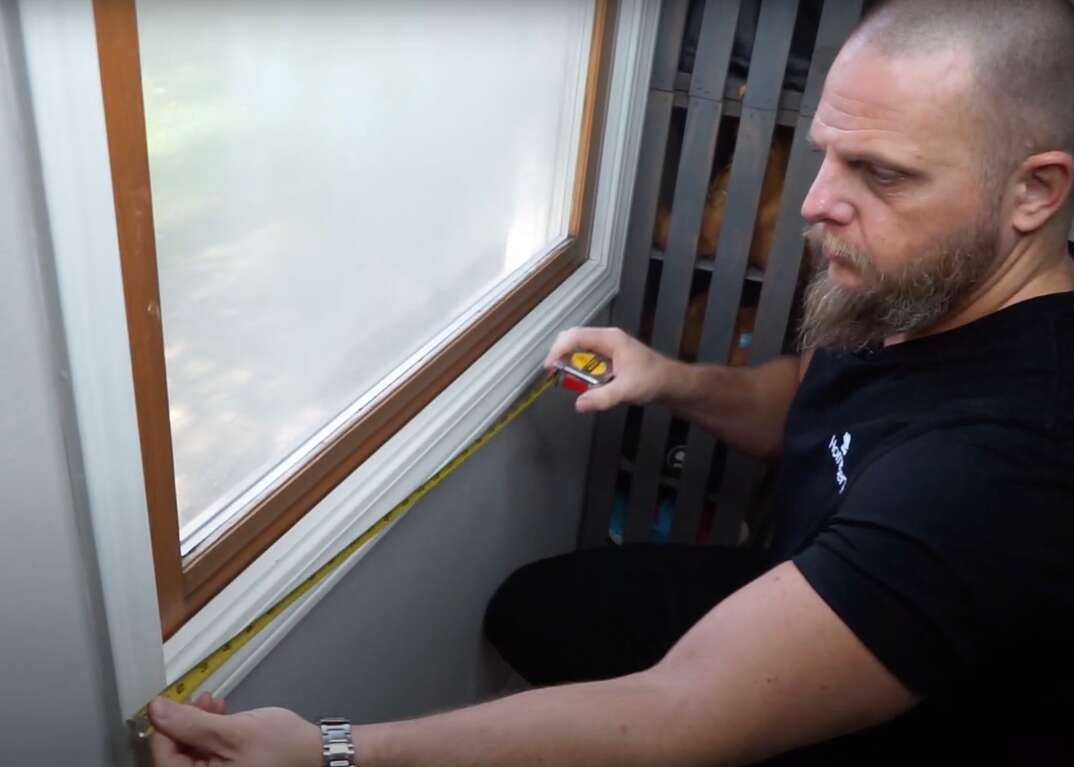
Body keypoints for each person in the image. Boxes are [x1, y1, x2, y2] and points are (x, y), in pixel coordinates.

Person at [147, 1, 1074, 764]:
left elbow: (682, 711)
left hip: (882, 705)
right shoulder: (936, 283)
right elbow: (816, 404)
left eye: (879, 172)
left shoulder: (1007, 462)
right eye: (825, 151)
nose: (816, 202)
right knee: (537, 611)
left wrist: (331, 751)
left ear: (1034, 192)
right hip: (805, 571)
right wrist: (669, 377)